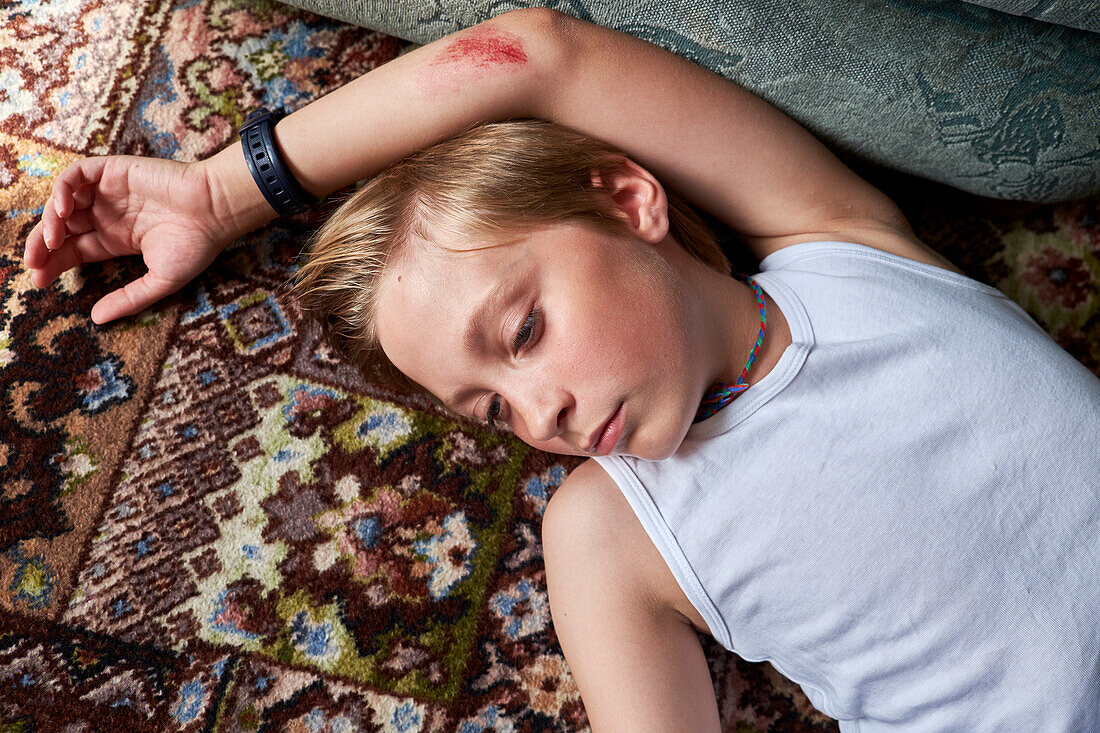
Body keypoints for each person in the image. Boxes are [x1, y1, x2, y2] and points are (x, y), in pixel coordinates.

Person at [22, 8, 1100, 731]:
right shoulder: (608, 533)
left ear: (630, 202)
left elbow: (538, 52)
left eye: (525, 330)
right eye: (488, 404)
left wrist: (226, 192)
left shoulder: (843, 244)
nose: (537, 410)